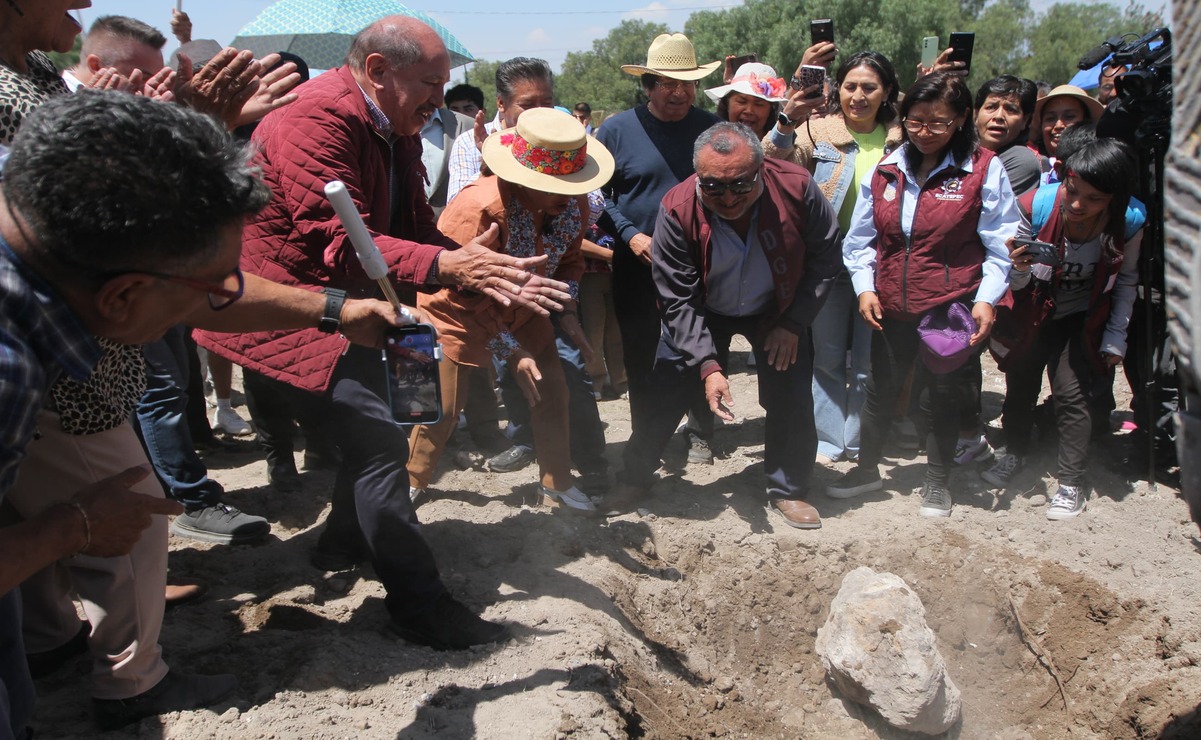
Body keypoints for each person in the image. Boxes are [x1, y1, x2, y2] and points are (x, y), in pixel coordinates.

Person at [0, 90, 409, 735]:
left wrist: (335, 311)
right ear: (125, 295)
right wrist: (72, 528)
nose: (226, 296)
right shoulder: (8, 367)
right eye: (212, 286)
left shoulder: (43, 244)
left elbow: (208, 291)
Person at [195, 16, 571, 650]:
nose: (438, 100)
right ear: (377, 71)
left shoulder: (392, 127)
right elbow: (339, 242)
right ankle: (418, 603)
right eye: (430, 83)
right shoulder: (315, 120)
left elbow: (414, 230)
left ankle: (343, 541)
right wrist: (448, 265)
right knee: (378, 445)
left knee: (398, 423)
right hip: (296, 310)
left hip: (369, 309)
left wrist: (473, 269)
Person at [606, 122, 841, 526]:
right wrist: (708, 363)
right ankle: (635, 476)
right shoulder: (676, 206)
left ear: (762, 169)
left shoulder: (797, 188)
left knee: (790, 393)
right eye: (713, 186)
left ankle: (788, 488)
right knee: (664, 391)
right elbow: (677, 298)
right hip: (704, 308)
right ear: (698, 174)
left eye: (740, 185)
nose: (728, 197)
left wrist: (794, 323)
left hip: (777, 309)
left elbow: (825, 259)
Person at [826, 72, 1023, 517]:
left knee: (941, 394)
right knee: (881, 389)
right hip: (892, 305)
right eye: (916, 121)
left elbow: (1001, 244)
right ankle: (867, 470)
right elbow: (859, 241)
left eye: (939, 123)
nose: (925, 132)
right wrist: (864, 288)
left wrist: (986, 298)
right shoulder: (887, 168)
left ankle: (937, 482)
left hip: (950, 307)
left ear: (960, 120)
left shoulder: (982, 169)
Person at [408, 108, 614, 512]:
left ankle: (557, 482)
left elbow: (569, 260)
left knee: (553, 389)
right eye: (553, 186)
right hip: (458, 312)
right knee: (444, 407)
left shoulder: (572, 206)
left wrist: (566, 310)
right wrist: (509, 351)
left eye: (571, 184)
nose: (565, 195)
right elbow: (457, 291)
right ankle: (411, 479)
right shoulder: (478, 209)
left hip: (528, 309)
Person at [984, 139, 1145, 520]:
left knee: (1073, 396)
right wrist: (1021, 267)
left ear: (1113, 199)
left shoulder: (1130, 221)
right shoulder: (1036, 205)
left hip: (1081, 321)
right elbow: (1013, 282)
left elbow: (1125, 281)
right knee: (1020, 386)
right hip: (1032, 315)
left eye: (1093, 199)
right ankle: (1017, 451)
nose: (1076, 205)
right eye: (1072, 190)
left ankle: (1072, 480)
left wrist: (1115, 338)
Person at [763, 50, 904, 465]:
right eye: (850, 86)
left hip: (881, 266)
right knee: (825, 357)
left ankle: (859, 439)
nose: (858, 96)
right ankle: (828, 440)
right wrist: (786, 121)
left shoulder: (902, 138)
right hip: (825, 262)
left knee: (866, 361)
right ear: (836, 89)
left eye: (869, 87)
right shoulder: (815, 131)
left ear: (888, 92)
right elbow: (770, 164)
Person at [596, 32, 720, 467]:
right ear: (648, 85)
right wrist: (630, 234)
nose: (678, 91)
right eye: (667, 82)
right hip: (637, 265)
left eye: (686, 83)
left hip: (698, 263)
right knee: (642, 351)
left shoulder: (710, 128)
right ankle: (646, 436)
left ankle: (702, 430)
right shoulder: (616, 129)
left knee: (699, 345)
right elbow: (597, 196)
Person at [446, 57, 555, 205]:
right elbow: (457, 206)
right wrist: (493, 164)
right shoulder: (468, 143)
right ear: (501, 103)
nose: (539, 112)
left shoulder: (565, 140)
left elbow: (594, 206)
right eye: (527, 104)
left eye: (547, 103)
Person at [974, 75, 1042, 197]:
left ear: (1025, 121)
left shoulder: (1022, 162)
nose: (999, 116)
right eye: (991, 107)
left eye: (1011, 109)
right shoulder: (957, 151)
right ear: (975, 114)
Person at [62, 14, 166, 91]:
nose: (152, 90)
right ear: (96, 66)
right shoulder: (48, 98)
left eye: (158, 81)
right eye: (142, 79)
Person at [1031, 85, 1104, 183]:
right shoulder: (1029, 165)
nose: (1058, 125)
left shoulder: (1103, 165)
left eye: (1069, 117)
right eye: (1050, 118)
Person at [704, 61, 787, 138]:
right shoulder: (710, 143)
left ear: (770, 110)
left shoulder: (783, 149)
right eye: (742, 101)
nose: (749, 111)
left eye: (758, 104)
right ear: (727, 103)